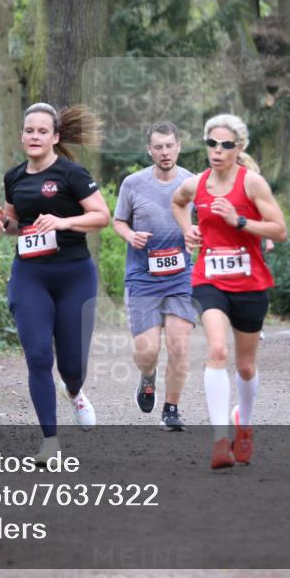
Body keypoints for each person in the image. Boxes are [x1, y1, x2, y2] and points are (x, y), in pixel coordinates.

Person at [0, 103, 111, 464]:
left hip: (74, 274)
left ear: (56, 137)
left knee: (73, 366)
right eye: (29, 131)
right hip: (30, 275)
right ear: (22, 135)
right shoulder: (14, 178)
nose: (35, 137)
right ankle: (50, 441)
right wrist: (0, 225)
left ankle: (74, 391)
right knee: (39, 356)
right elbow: (14, 224)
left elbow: (101, 217)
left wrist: (62, 222)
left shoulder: (72, 173)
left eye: (42, 131)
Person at [171, 114, 287, 469]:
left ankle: (244, 425)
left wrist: (238, 220)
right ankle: (220, 441)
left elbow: (279, 230)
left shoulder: (252, 184)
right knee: (217, 350)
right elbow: (178, 203)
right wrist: (187, 230)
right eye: (211, 144)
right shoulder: (196, 184)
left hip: (250, 283)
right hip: (209, 278)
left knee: (247, 366)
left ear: (239, 148)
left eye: (225, 145)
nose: (217, 151)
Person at [112, 121, 197, 431]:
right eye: (158, 147)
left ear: (178, 146)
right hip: (143, 277)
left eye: (169, 146)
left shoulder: (192, 183)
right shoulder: (133, 184)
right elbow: (118, 221)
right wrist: (130, 235)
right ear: (149, 150)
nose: (164, 152)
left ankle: (171, 408)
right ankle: (147, 377)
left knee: (179, 345)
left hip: (180, 276)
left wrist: (195, 236)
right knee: (147, 351)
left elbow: (206, 223)